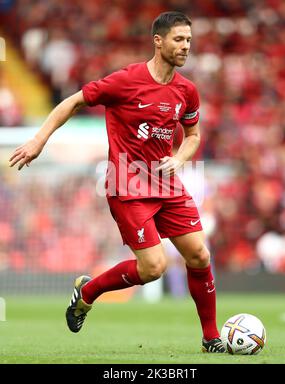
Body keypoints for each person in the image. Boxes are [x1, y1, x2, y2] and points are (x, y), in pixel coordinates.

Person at [9, 11, 225, 353]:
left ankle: (211, 339)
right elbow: (74, 100)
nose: (186, 46)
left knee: (199, 255)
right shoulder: (125, 81)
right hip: (128, 185)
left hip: (166, 184)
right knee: (153, 267)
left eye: (189, 40)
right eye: (179, 40)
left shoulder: (187, 90)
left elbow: (194, 134)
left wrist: (181, 158)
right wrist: (39, 141)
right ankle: (89, 292)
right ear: (158, 41)